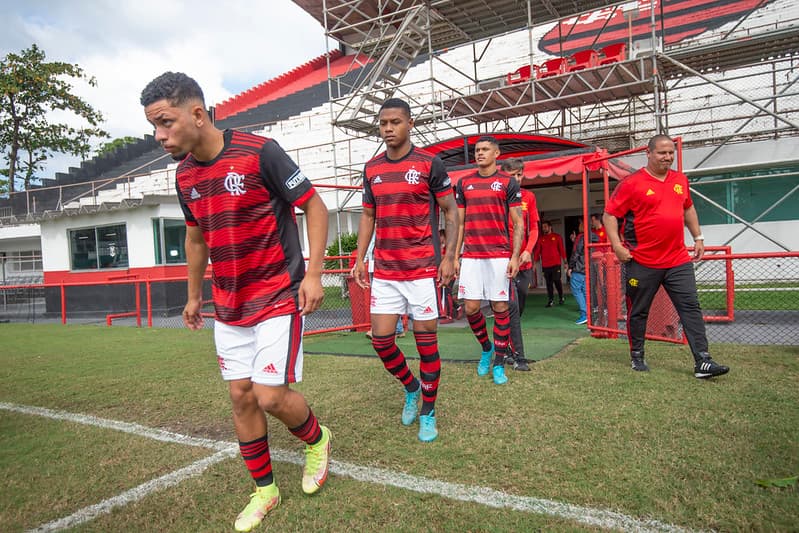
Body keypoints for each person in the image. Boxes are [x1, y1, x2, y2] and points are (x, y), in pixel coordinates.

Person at [141, 72, 332, 532]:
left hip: (277, 295)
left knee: (269, 395)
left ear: (197, 114)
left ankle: (317, 437)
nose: (159, 136)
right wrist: (192, 295)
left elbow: (316, 206)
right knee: (241, 397)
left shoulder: (259, 152)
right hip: (229, 305)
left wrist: (313, 274)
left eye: (165, 123)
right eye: (153, 127)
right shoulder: (185, 174)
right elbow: (194, 237)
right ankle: (265, 491)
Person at [353, 98, 459, 442]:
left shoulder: (430, 164)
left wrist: (449, 257)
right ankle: (412, 387)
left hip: (421, 268)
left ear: (410, 124)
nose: (387, 129)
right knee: (382, 341)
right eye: (383, 123)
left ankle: (428, 411)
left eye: (395, 122)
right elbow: (368, 215)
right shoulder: (371, 169)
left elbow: (451, 212)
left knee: (426, 344)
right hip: (385, 269)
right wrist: (359, 258)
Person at [603, 134, 730, 379]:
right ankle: (637, 356)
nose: (667, 157)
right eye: (662, 153)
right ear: (649, 153)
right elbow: (609, 215)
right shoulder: (632, 183)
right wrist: (617, 246)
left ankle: (703, 361)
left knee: (691, 308)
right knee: (638, 311)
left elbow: (688, 207)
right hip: (642, 261)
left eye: (671, 152)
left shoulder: (680, 180)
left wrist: (698, 237)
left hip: (677, 260)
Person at [455, 136, 523, 385]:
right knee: (470, 308)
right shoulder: (464, 183)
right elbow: (460, 223)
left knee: (500, 307)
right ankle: (487, 348)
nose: (480, 153)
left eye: (485, 149)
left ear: (496, 153)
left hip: (499, 254)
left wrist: (514, 256)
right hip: (472, 255)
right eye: (477, 150)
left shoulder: (507, 182)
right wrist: (454, 256)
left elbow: (518, 223)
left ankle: (499, 363)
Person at [499, 157, 539, 371]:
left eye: (519, 175)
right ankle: (518, 357)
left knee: (518, 307)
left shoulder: (529, 197)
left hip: (524, 264)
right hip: (503, 263)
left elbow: (533, 228)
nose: (516, 179)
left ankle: (505, 345)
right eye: (511, 175)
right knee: (511, 308)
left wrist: (527, 250)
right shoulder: (496, 197)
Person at [567, 217, 598, 325]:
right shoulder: (594, 236)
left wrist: (570, 267)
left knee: (576, 290)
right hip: (589, 268)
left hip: (579, 268)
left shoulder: (581, 237)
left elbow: (576, 253)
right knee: (585, 291)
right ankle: (590, 314)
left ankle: (584, 314)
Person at [535, 220, 567, 307]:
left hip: (556, 264)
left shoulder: (557, 237)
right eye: (543, 227)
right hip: (545, 266)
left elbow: (562, 250)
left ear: (550, 227)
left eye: (545, 226)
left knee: (557, 281)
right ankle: (551, 300)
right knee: (548, 284)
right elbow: (537, 252)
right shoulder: (541, 239)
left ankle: (561, 297)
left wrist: (565, 262)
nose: (544, 228)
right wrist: (535, 262)